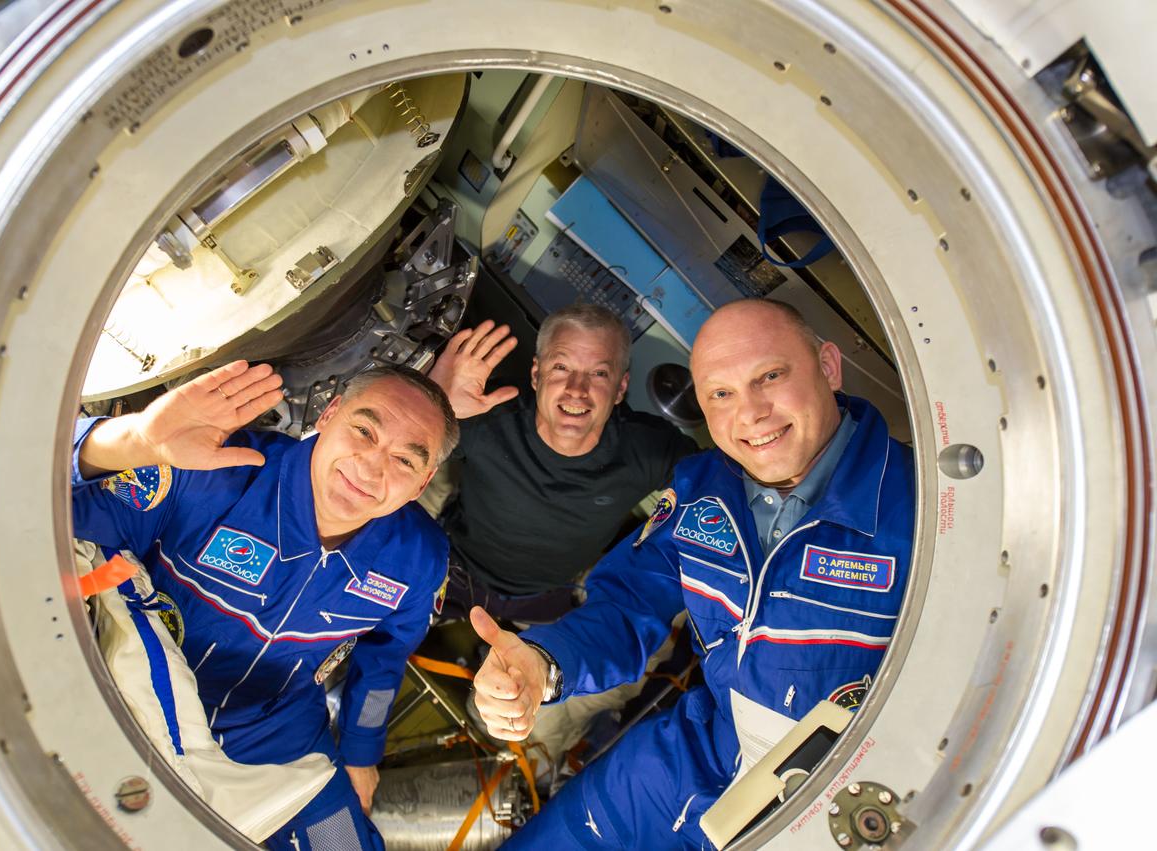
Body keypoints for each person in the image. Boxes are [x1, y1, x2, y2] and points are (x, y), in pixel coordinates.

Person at [469, 299, 915, 848]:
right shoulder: (704, 488)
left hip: (840, 792)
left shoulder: (922, 513)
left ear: (827, 366)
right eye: (720, 395)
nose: (749, 414)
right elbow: (630, 601)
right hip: (691, 755)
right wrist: (544, 662)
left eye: (769, 376)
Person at [71, 360, 457, 851]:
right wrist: (131, 441)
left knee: (341, 845)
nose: (372, 466)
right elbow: (52, 517)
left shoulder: (419, 559)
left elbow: (384, 661)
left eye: (406, 460)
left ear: (422, 484)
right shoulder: (213, 469)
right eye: (363, 430)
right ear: (328, 414)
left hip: (280, 735)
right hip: (138, 698)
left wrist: (361, 753)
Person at [429, 304, 697, 622]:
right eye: (561, 367)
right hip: (454, 566)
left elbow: (721, 485)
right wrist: (433, 403)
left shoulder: (648, 447)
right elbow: (394, 446)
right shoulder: (488, 413)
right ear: (535, 374)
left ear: (619, 389)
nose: (576, 390)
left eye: (598, 373)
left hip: (552, 598)